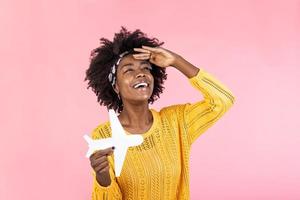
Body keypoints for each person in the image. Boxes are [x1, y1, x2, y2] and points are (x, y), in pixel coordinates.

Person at [84, 27, 235, 200]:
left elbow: (223, 99)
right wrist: (103, 179)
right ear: (116, 86)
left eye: (146, 68)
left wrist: (177, 61)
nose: (141, 73)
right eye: (128, 70)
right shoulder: (103, 135)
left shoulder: (176, 122)